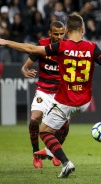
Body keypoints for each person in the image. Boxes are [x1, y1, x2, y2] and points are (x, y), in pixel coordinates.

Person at [0, 13, 101, 178]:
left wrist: (6, 42)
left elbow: (32, 49)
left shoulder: (61, 47)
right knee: (57, 124)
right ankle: (49, 151)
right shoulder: (92, 47)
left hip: (66, 99)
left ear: (67, 30)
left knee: (45, 132)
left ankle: (65, 162)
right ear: (83, 29)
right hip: (84, 102)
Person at [21, 21, 69, 169]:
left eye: (62, 33)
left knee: (65, 125)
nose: (59, 36)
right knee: (35, 119)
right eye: (56, 34)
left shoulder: (69, 47)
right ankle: (36, 152)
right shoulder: (42, 46)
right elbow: (25, 67)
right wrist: (25, 71)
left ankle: (54, 152)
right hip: (44, 90)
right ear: (50, 33)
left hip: (61, 93)